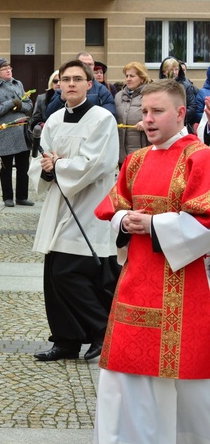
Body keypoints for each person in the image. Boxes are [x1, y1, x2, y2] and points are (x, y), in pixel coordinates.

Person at [94, 79, 210, 443]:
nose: (147, 120)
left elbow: (206, 222)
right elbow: (112, 206)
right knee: (122, 371)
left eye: (157, 111)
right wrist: (124, 220)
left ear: (179, 113)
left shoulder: (200, 157)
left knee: (182, 383)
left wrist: (154, 223)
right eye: (144, 112)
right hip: (135, 282)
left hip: (184, 285)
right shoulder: (136, 159)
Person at [28, 59, 120, 362]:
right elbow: (41, 158)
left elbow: (98, 163)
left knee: (70, 273)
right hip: (59, 205)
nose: (70, 84)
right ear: (58, 85)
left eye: (77, 79)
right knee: (54, 276)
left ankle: (101, 328)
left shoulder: (102, 118)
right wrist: (45, 168)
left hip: (90, 205)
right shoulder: (53, 120)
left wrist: (60, 165)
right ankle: (66, 341)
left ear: (89, 84)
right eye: (65, 79)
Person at [0, 57, 34, 207]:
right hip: (6, 131)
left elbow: (29, 105)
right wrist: (11, 103)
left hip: (21, 130)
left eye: (10, 68)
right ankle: (7, 197)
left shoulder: (18, 83)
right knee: (5, 168)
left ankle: (22, 196)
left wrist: (19, 106)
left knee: (23, 167)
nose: (8, 70)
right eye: (4, 69)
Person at [45, 52, 116, 118]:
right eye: (83, 64)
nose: (87, 67)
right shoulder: (62, 90)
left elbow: (109, 116)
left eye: (90, 64)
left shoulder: (102, 90)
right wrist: (61, 99)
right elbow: (49, 115)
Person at [115, 61, 151, 166]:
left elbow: (159, 118)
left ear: (142, 78)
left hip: (143, 150)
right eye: (126, 76)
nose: (128, 79)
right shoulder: (118, 96)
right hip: (122, 154)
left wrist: (146, 123)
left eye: (132, 76)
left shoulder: (150, 94)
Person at [158, 56, 197, 129]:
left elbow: (192, 107)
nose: (174, 72)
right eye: (171, 70)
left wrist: (178, 116)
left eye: (176, 69)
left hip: (181, 124)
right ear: (163, 72)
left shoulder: (186, 86)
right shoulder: (158, 87)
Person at [29, 70, 60, 158]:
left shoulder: (69, 98)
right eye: (55, 81)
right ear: (51, 82)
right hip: (45, 138)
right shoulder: (42, 98)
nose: (58, 83)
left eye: (61, 80)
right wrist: (42, 125)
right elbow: (34, 119)